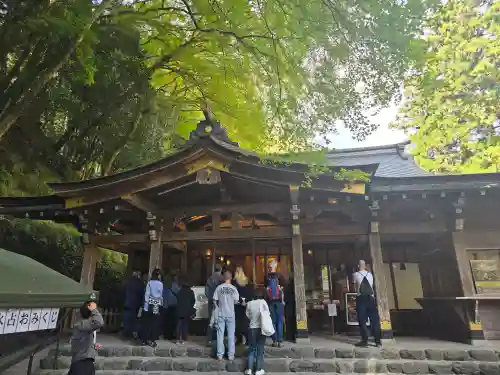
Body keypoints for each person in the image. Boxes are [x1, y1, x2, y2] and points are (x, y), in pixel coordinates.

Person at [68, 301, 104, 375]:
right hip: (82, 365)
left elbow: (82, 343)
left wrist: (93, 347)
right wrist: (94, 309)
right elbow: (99, 322)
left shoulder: (83, 326)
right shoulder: (82, 324)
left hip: (84, 363)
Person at [352, 260, 382, 347]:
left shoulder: (355, 274)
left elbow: (355, 288)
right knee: (374, 320)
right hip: (371, 298)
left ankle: (365, 341)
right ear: (365, 266)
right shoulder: (370, 274)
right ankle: (378, 342)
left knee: (362, 320)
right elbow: (372, 285)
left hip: (361, 298)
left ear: (358, 266)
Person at [213, 270, 239, 360]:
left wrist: (217, 307)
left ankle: (220, 354)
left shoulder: (218, 288)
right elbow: (236, 301)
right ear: (230, 278)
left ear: (224, 278)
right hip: (231, 314)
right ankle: (230, 355)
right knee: (231, 335)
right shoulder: (234, 288)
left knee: (220, 335)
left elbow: (214, 300)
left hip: (220, 313)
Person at [244, 288, 268, 375]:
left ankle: (249, 369)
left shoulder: (249, 303)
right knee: (260, 349)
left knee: (252, 349)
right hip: (261, 328)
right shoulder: (263, 302)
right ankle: (258, 370)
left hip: (252, 328)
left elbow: (247, 315)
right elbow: (267, 314)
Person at [140, 268, 163, 347]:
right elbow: (160, 296)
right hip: (156, 304)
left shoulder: (149, 283)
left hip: (148, 304)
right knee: (154, 323)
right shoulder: (160, 284)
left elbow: (147, 294)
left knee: (146, 323)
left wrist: (146, 303)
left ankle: (144, 340)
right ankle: (152, 340)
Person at [265, 259, 286, 347]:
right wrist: (283, 299)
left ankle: (274, 340)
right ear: (276, 266)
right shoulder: (280, 275)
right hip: (279, 301)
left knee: (272, 321)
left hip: (270, 301)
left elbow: (265, 289)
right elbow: (284, 287)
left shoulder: (266, 276)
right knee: (280, 321)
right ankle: (280, 340)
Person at [205, 264, 223, 344]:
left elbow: (206, 291)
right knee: (220, 320)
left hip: (211, 301)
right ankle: (218, 339)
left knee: (210, 321)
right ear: (221, 269)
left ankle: (209, 339)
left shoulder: (210, 278)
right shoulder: (222, 279)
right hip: (220, 302)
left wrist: (210, 298)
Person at [123, 271, 145, 339]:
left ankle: (126, 332)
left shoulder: (127, 282)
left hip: (127, 302)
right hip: (135, 304)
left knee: (126, 318)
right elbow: (142, 294)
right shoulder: (140, 283)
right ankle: (132, 333)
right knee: (134, 319)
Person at [234, 266, 252, 345]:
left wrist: (241, 301)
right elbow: (250, 292)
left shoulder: (235, 282)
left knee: (237, 323)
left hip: (238, 305)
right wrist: (246, 301)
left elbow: (235, 293)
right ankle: (248, 339)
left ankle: (239, 339)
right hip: (247, 305)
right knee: (246, 322)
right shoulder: (247, 281)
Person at [175, 278, 196, 344]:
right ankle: (184, 338)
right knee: (185, 324)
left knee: (179, 324)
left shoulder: (180, 291)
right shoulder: (190, 292)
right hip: (187, 311)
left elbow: (177, 300)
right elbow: (193, 301)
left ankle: (178, 339)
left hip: (179, 310)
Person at [163, 274, 180, 340]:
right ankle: (170, 335)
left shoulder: (164, 285)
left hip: (165, 305)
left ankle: (166, 334)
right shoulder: (174, 285)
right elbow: (178, 293)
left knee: (166, 321)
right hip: (173, 305)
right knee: (172, 321)